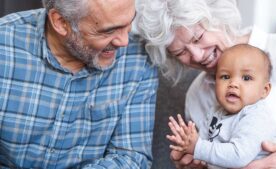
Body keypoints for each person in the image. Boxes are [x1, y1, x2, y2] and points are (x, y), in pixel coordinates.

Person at [136, 0, 276, 168]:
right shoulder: (196, 95)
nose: (197, 56)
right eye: (181, 52)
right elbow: (211, 153)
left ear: (217, 17)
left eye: (198, 38)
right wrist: (195, 163)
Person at [0, 0, 158, 168]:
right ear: (61, 22)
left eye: (129, 22)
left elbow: (131, 158)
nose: (124, 41)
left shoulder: (138, 58)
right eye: (109, 31)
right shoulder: (5, 45)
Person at [166, 44, 276, 169]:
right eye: (225, 77)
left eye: (246, 78)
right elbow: (204, 145)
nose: (233, 84)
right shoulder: (215, 112)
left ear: (264, 90)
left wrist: (197, 147)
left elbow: (238, 156)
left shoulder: (257, 117)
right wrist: (186, 148)